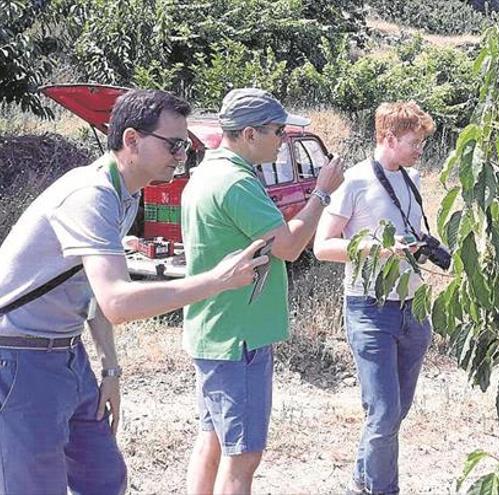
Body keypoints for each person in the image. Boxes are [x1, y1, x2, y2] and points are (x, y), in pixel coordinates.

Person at [0, 89, 267, 495]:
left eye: (186, 145)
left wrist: (109, 370)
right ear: (131, 140)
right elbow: (118, 301)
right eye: (174, 144)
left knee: (104, 479)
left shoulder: (126, 194)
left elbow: (93, 295)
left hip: (65, 353)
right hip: (19, 356)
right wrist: (216, 280)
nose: (182, 155)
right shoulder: (91, 195)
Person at [181, 88, 345, 495]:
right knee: (243, 456)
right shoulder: (236, 182)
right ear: (250, 134)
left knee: (214, 440)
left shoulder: (206, 171)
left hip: (213, 329)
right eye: (277, 131)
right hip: (240, 336)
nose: (281, 139)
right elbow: (288, 247)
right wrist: (321, 193)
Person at [314, 101, 436, 495]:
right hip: (370, 309)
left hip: (412, 309)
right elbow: (322, 246)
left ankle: (363, 484)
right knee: (382, 414)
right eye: (414, 141)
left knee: (394, 414)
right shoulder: (355, 181)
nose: (421, 149)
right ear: (388, 138)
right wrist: (379, 250)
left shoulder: (413, 178)